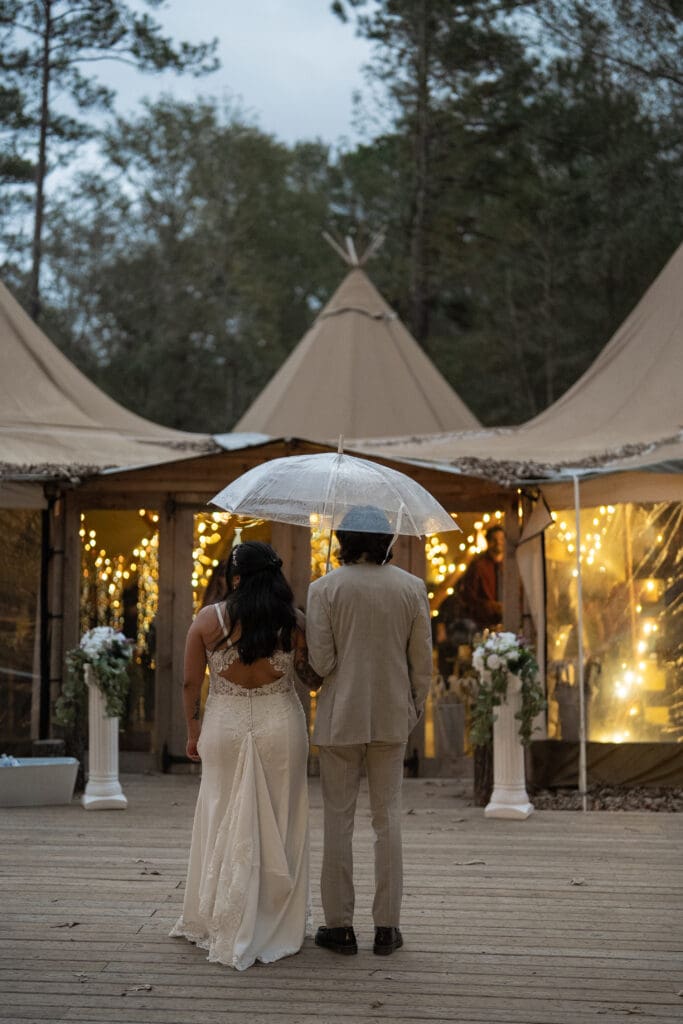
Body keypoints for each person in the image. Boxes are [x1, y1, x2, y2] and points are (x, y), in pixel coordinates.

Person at [170, 541, 320, 970]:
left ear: (234, 577)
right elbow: (311, 679)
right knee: (282, 815)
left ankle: (220, 914)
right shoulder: (293, 622)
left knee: (219, 811)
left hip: (225, 726)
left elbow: (187, 683)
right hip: (281, 725)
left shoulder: (207, 620)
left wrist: (193, 729)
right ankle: (273, 918)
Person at [305, 506, 433, 957]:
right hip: (393, 716)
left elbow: (320, 664)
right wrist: (412, 709)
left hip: (341, 718)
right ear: (386, 541)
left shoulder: (324, 589)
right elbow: (423, 665)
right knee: (388, 820)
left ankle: (339, 926)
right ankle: (387, 928)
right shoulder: (412, 588)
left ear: (343, 540)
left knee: (337, 823)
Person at [434, 525, 505, 676]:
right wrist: (489, 607)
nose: (498, 543)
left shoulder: (510, 566)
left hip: (504, 623)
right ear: (488, 541)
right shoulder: (478, 566)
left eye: (501, 539)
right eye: (494, 540)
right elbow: (469, 597)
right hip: (480, 623)